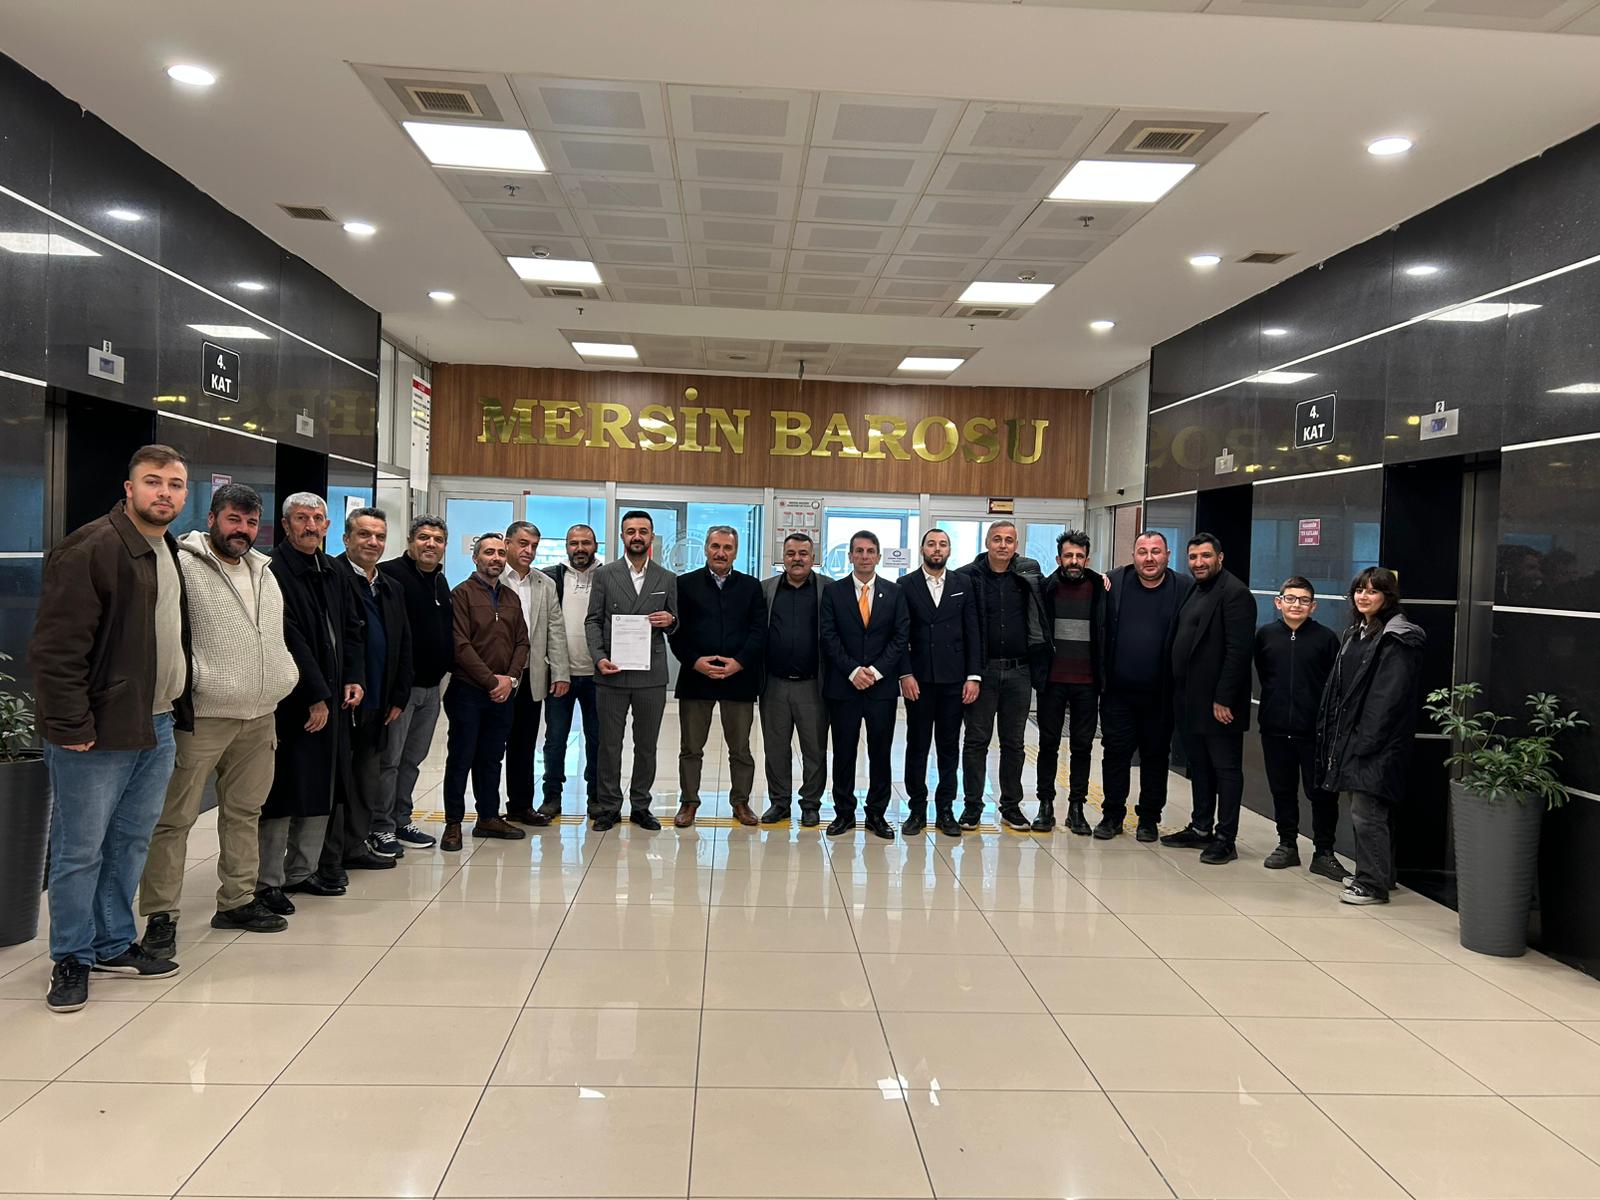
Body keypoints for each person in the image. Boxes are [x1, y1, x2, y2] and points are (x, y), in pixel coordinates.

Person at [30, 445, 192, 1011]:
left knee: (129, 841)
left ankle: (112, 943)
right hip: (96, 731)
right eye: (153, 482)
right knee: (80, 850)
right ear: (129, 488)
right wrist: (69, 724)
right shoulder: (92, 547)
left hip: (156, 723)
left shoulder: (166, 547)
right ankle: (71, 958)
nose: (164, 493)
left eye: (175, 484)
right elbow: (56, 649)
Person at [138, 483, 299, 961]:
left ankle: (237, 900)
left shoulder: (263, 570)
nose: (242, 530)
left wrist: (284, 677)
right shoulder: (183, 565)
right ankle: (160, 915)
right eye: (233, 519)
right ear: (211, 519)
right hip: (203, 717)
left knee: (245, 812)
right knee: (174, 819)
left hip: (260, 715)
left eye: (250, 522)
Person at [259, 493, 365, 905]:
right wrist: (316, 695)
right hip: (292, 702)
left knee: (323, 785)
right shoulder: (271, 570)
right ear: (286, 524)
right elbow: (289, 638)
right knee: (284, 790)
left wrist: (354, 677)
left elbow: (352, 628)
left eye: (318, 518)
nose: (310, 526)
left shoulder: (333, 569)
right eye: (301, 518)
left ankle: (302, 871)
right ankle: (269, 880)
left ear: (327, 525)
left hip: (334, 699)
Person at [1315, 567, 1426, 905]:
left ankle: (1372, 884)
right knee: (1367, 810)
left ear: (1387, 597)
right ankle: (1378, 875)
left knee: (1367, 812)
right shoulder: (1357, 632)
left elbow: (1387, 697)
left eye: (1373, 591)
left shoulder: (1398, 638)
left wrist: (1367, 741)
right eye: (1359, 590)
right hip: (1355, 736)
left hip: (1378, 741)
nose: (1364, 596)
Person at [1160, 533, 1256, 864]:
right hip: (1189, 699)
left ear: (1220, 557)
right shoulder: (1195, 589)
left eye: (1205, 556)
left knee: (1225, 769)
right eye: (1193, 557)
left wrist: (1224, 698)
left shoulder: (1235, 594)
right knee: (1199, 766)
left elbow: (1238, 652)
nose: (1199, 562)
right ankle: (1201, 827)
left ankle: (1226, 838)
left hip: (1219, 704)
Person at [326, 508, 412, 871]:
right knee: (336, 781)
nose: (373, 542)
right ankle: (329, 853)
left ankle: (356, 844)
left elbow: (403, 642)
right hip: (342, 701)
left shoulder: (390, 587)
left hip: (378, 700)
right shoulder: (331, 577)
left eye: (379, 536)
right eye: (364, 534)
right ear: (346, 539)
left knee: (366, 778)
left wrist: (399, 695)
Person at [586, 510, 678, 831]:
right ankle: (609, 806)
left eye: (643, 531)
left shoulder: (666, 578)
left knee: (647, 745)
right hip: (611, 672)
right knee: (609, 745)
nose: (637, 536)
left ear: (651, 536)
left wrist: (671, 621)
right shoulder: (604, 575)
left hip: (650, 675)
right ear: (622, 536)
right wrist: (599, 657)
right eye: (630, 531)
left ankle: (641, 805)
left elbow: (676, 622)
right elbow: (593, 620)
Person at [670, 526, 765, 828]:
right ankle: (689, 802)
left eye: (727, 548)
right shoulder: (684, 584)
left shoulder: (751, 587)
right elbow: (675, 631)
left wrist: (740, 662)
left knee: (740, 748)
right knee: (691, 748)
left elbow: (758, 631)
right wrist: (694, 661)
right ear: (706, 549)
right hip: (696, 677)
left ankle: (741, 802)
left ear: (736, 552)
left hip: (738, 678)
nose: (720, 553)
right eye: (715, 546)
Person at [440, 532, 530, 852]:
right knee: (461, 757)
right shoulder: (461, 594)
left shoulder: (511, 598)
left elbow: (522, 642)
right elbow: (460, 645)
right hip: (468, 691)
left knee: (492, 758)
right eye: (489, 552)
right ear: (475, 557)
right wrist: (492, 682)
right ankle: (453, 823)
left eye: (501, 553)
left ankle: (488, 817)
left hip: (503, 694)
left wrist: (510, 679)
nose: (496, 558)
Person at [956, 520, 1048, 831]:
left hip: (1019, 672)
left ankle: (1011, 806)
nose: (1003, 545)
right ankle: (972, 806)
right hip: (982, 672)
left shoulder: (1028, 575)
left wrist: (1099, 578)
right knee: (976, 742)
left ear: (1016, 545)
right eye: (997, 539)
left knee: (1014, 743)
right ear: (987, 542)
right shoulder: (968, 576)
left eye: (1009, 540)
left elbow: (1057, 590)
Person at [1098, 531, 1189, 841]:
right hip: (1118, 693)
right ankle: (1112, 815)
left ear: (1167, 555)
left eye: (1156, 551)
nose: (1149, 558)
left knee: (1155, 756)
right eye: (1142, 552)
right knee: (1115, 755)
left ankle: (1149, 818)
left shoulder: (1184, 588)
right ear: (1133, 555)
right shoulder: (1113, 582)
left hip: (1161, 695)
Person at [819, 531, 909, 840]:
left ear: (878, 556)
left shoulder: (894, 593)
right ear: (850, 556)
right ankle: (844, 812)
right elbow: (828, 636)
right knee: (843, 752)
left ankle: (876, 814)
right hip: (844, 687)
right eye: (859, 551)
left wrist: (877, 671)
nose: (865, 556)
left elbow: (900, 637)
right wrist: (853, 670)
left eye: (870, 551)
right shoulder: (833, 592)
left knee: (880, 753)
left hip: (881, 688)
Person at [1254, 576, 1345, 879]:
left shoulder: (1326, 639)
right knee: (1282, 790)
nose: (1296, 605)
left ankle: (1324, 852)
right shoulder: (1265, 636)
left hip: (1314, 732)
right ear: (1278, 602)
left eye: (1304, 600)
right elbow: (1265, 675)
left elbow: (1335, 685)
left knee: (1321, 794)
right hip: (1275, 727)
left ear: (1313, 606)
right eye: (1290, 599)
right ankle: (1287, 844)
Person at [374, 515, 451, 852]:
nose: (430, 544)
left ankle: (401, 818)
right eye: (423, 537)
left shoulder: (439, 581)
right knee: (389, 760)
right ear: (410, 541)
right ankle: (380, 826)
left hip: (431, 689)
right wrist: (395, 690)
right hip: (401, 690)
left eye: (437, 539)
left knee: (412, 758)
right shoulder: (390, 576)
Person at [897, 529, 979, 838]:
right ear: (922, 549)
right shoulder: (905, 585)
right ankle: (917, 809)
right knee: (917, 746)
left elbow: (972, 632)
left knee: (948, 747)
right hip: (918, 680)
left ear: (949, 550)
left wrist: (973, 676)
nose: (937, 549)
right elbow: (900, 634)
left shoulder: (963, 584)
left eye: (942, 544)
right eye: (931, 544)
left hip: (953, 679)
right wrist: (904, 674)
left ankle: (946, 809)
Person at [758, 533, 830, 827]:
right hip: (774, 684)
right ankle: (779, 802)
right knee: (775, 748)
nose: (797, 559)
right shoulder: (766, 589)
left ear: (813, 558)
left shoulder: (829, 589)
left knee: (814, 749)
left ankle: (811, 804)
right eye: (791, 553)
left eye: (803, 553)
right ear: (782, 558)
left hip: (813, 685)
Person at [1035, 530, 1104, 835]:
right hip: (1053, 680)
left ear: (1087, 559)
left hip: (1087, 682)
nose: (1074, 561)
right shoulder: (1045, 588)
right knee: (1048, 744)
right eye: (1068, 556)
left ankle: (1077, 808)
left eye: (1079, 556)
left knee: (1082, 746)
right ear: (1058, 558)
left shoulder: (1101, 588)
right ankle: (1045, 805)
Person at [502, 520, 570, 827]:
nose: (528, 551)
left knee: (524, 744)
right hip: (496, 676)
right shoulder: (493, 577)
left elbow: (555, 630)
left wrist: (561, 672)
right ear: (507, 543)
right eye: (522, 544)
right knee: (490, 746)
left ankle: (520, 806)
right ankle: (487, 810)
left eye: (533, 546)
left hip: (531, 676)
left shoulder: (545, 583)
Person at [540, 524, 601, 819]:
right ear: (566, 546)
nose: (580, 548)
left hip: (599, 676)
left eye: (585, 542)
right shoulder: (550, 577)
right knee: (555, 740)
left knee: (597, 740)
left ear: (595, 546)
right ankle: (552, 795)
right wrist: (557, 670)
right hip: (560, 675)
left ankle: (596, 797)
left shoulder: (607, 576)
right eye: (574, 542)